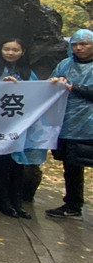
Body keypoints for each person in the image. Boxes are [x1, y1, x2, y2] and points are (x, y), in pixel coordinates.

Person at [0, 38, 40, 219]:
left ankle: (16, 202)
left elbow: (37, 94)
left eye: (15, 50)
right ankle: (4, 201)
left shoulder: (28, 73)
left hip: (19, 124)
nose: (10, 53)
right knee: (2, 163)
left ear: (23, 52)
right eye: (6, 49)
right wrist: (0, 86)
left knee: (18, 164)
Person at [46, 29, 93, 219]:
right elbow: (50, 84)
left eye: (84, 44)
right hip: (68, 122)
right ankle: (73, 204)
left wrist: (78, 88)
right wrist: (56, 82)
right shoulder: (65, 65)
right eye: (75, 44)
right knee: (71, 166)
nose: (79, 48)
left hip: (90, 123)